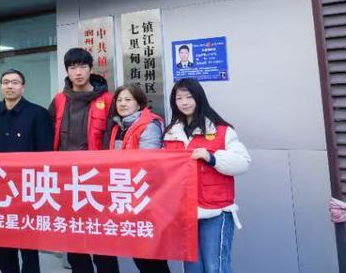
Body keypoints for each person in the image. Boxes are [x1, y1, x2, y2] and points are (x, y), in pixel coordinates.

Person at [163, 78, 251, 273]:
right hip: (185, 211)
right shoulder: (170, 134)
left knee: (215, 266)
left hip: (216, 211)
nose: (184, 102)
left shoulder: (221, 130)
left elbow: (243, 162)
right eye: (179, 98)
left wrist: (212, 158)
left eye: (189, 97)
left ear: (199, 97)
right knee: (192, 267)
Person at [49, 48, 118, 273]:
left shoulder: (108, 100)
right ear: (67, 71)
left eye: (82, 67)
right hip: (66, 181)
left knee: (102, 241)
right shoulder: (59, 100)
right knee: (74, 241)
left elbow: (115, 138)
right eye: (72, 68)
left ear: (91, 69)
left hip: (98, 181)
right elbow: (49, 136)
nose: (77, 72)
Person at [0, 69, 52, 273]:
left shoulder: (38, 113)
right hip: (0, 188)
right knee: (5, 242)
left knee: (29, 243)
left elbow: (45, 153)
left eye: (15, 82)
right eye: (5, 82)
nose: (9, 86)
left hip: (28, 187)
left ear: (23, 87)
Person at [107, 85, 168, 273]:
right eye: (119, 100)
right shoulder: (119, 126)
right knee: (139, 254)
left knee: (151, 256)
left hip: (146, 198)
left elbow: (148, 163)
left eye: (128, 99)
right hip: (128, 195)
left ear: (139, 103)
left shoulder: (149, 125)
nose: (122, 104)